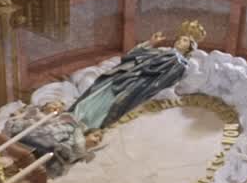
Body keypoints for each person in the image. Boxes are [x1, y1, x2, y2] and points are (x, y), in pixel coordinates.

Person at [70, 24, 202, 132]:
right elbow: (132, 55)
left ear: (190, 48)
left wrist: (142, 85)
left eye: (185, 40)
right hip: (125, 74)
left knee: (109, 102)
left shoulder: (179, 64)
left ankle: (86, 126)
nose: (179, 41)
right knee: (98, 93)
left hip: (137, 82)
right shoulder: (163, 51)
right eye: (179, 38)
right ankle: (75, 117)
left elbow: (162, 82)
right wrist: (150, 43)